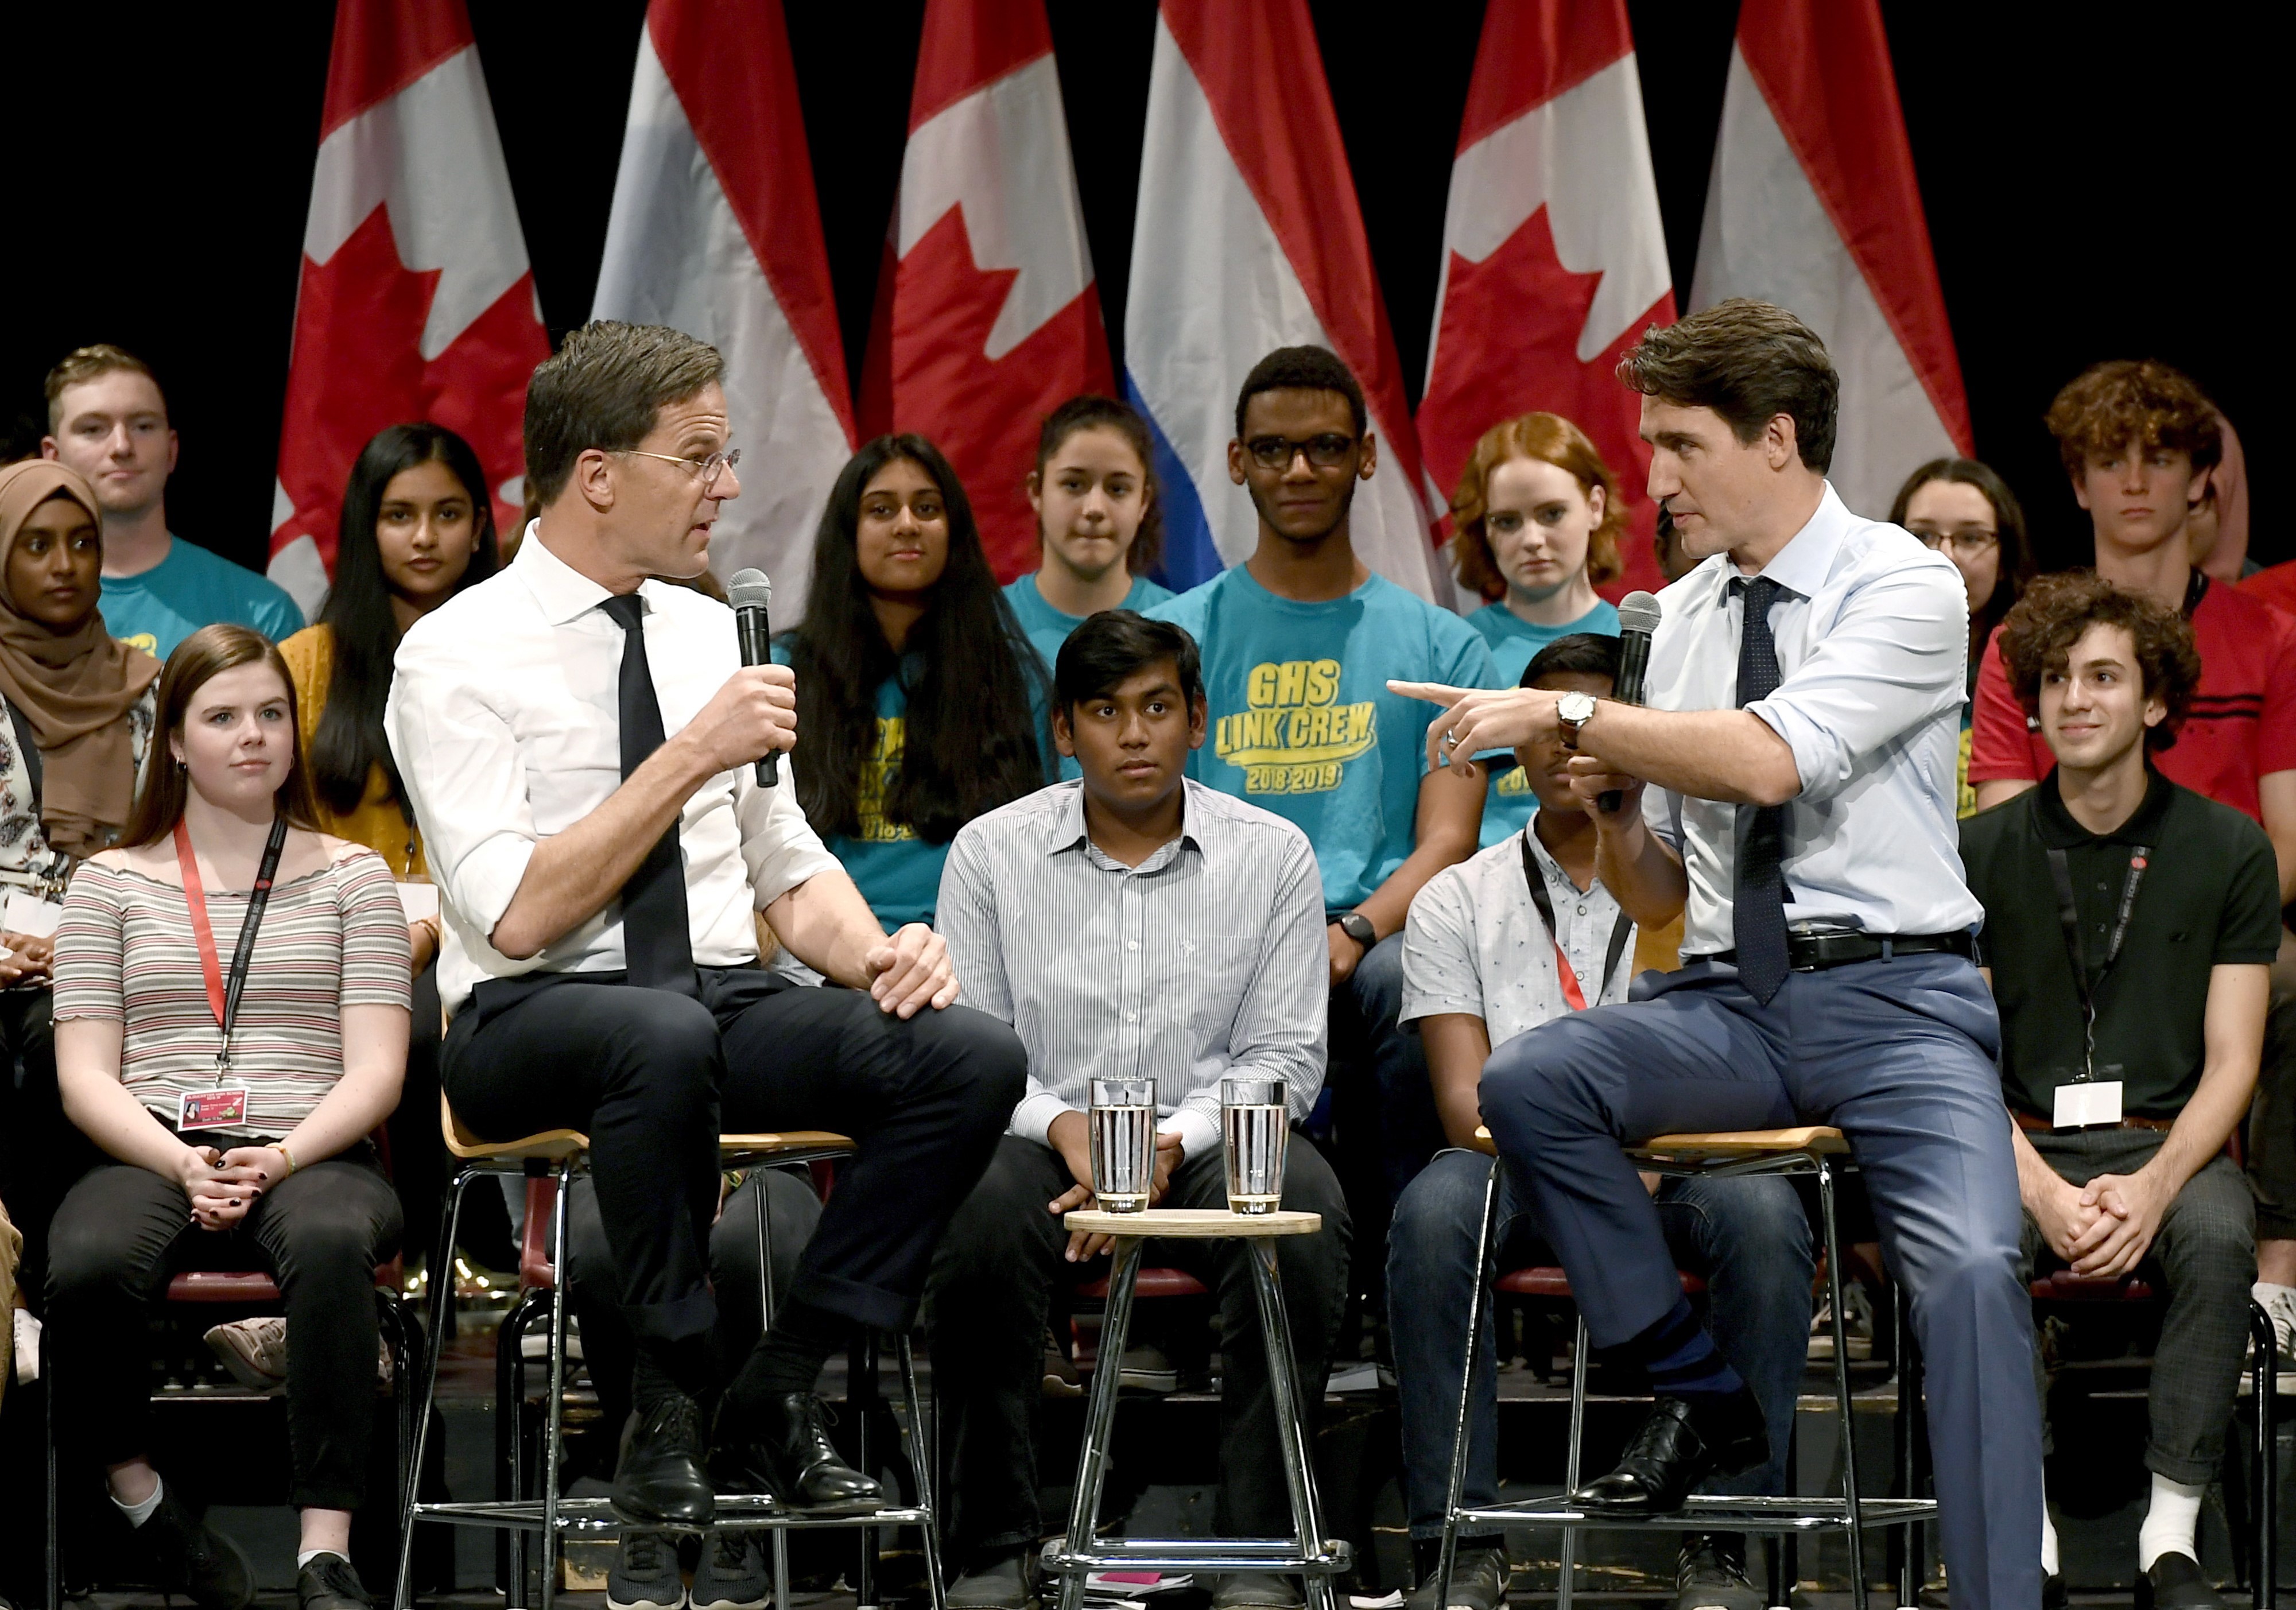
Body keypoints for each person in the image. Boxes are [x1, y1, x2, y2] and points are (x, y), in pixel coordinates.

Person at [1393, 299, 2041, 1609]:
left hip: (1898, 999)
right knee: (1531, 1081)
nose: (1656, 478)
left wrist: (1569, 710)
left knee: (1974, 1274)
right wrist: (1618, 809)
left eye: (1680, 443)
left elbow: (1770, 758)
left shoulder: (1903, 583)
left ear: (1776, 439)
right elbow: (1659, 891)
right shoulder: (1679, 614)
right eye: (1653, 443)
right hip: (1727, 1001)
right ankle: (1698, 1393)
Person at [385, 323, 1025, 1554]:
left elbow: (784, 862)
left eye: (725, 457)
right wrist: (690, 753)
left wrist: (877, 955)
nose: (726, 486)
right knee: (658, 1034)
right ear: (598, 475)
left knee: (968, 1056)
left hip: (720, 999)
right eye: (699, 457)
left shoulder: (705, 632)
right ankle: (668, 1394)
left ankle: (776, 1383)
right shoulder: (454, 652)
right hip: (530, 1015)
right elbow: (515, 913)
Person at [1389, 633, 1811, 1610]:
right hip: (1515, 1164)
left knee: (1764, 1216)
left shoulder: (1707, 890)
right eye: (1544, 724)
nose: (1566, 747)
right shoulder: (1458, 897)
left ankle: (1726, 1539)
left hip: (1680, 1163)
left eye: (1587, 721)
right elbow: (1464, 1102)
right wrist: (1586, 1156)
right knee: (1434, 1208)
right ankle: (1457, 1541)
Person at [930, 610, 1343, 1610]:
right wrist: (1070, 1133)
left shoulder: (1273, 854)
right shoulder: (990, 854)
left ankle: (1259, 1549)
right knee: (975, 1209)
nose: (1135, 735)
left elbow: (1287, 1059)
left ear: (1197, 720)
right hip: (1039, 1135)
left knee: (1305, 1204)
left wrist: (1160, 1145)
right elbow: (971, 1050)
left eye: (1158, 708)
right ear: (1063, 731)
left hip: (1204, 1137)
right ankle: (994, 1546)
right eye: (1106, 712)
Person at [47, 624, 412, 1610]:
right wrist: (179, 1162)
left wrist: (282, 1155)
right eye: (222, 717)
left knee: (331, 1239)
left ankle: (324, 1549)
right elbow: (84, 1078)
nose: (254, 735)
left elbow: (379, 1071)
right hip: (153, 1145)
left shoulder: (354, 877)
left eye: (271, 713)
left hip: (314, 1146)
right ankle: (140, 1499)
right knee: (85, 1259)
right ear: (172, 741)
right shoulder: (107, 884)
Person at [1146, 345, 1493, 1297]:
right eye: (1273, 450)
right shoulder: (1176, 640)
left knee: (1406, 975)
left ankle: (1398, 1288)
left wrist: (1354, 932)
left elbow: (1450, 840)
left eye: (1326, 448)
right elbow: (1143, 824)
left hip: (1368, 936)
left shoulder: (1442, 645)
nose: (1299, 470)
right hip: (1211, 933)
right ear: (1236, 462)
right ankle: (1202, 1300)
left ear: (1366, 457)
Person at [1961, 574, 2275, 1609]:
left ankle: (2169, 1541)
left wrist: (2153, 1186)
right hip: (2018, 1139)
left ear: (2154, 701)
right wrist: (2042, 1190)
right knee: (1970, 1247)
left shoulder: (2230, 847)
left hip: (2166, 1137)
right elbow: (1957, 1060)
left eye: (2103, 677)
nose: (2075, 699)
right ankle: (2031, 1538)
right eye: (2056, 679)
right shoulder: (1977, 852)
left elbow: (2234, 1059)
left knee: (2220, 1234)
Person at [279, 422, 500, 1282]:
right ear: (366, 528)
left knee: (445, 1011)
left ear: (479, 527)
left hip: (492, 928)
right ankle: (407, 1252)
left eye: (447, 513)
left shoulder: (518, 661)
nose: (424, 537)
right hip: (336, 935)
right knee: (401, 1011)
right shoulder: (306, 666)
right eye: (400, 515)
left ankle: (471, 1251)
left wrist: (435, 927)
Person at [1967, 361, 2296, 883]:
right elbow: (2010, 846)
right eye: (2111, 461)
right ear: (2080, 484)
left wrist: (2187, 922)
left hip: (2228, 916)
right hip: (2064, 922)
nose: (2136, 483)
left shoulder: (2274, 639)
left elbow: (2291, 843)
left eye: (2160, 460)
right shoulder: (2020, 646)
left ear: (2199, 480)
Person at [774, 434, 1053, 932]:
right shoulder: (786, 674)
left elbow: (1039, 851)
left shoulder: (1011, 677)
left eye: (927, 508)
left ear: (954, 531)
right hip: (820, 950)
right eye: (881, 510)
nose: (907, 525)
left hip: (969, 948)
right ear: (848, 533)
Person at [0, 462, 163, 1308]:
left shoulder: (150, 693)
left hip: (113, 949)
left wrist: (90, 938)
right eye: (36, 545)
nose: (64, 565)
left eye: (81, 543)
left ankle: (61, 1290)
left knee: (59, 1031)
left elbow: (179, 847)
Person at [564, 1165, 825, 1610]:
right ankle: (647, 1492)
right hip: (620, 1163)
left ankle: (738, 1496)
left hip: (769, 1161)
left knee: (750, 1243)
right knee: (602, 1246)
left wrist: (727, 1174)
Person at [39, 346, 303, 658]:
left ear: (172, 450)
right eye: (93, 429)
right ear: (53, 457)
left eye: (143, 426)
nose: (122, 447)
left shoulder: (259, 611)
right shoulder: (14, 605)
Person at [1445, 413, 1624, 849]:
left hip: (1625, 872)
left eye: (1551, 514)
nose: (1532, 539)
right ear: (1485, 528)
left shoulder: (1641, 641)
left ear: (1595, 506)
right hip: (1488, 876)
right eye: (1507, 521)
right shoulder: (1454, 648)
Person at [1888, 458, 2034, 817]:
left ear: (2005, 560)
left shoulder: (2036, 669)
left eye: (1971, 538)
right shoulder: (1857, 659)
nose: (1945, 556)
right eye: (1923, 536)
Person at [1004, 395, 1175, 672]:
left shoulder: (1180, 628)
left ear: (1143, 502)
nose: (1095, 508)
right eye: (1074, 485)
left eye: (1117, 489)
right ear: (1037, 492)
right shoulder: (984, 624)